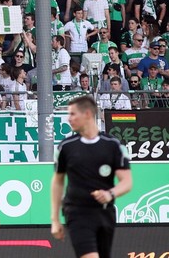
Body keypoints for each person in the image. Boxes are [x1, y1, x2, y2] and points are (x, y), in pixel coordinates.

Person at [51, 95, 132, 258]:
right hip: (77, 212)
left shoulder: (112, 144)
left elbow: (127, 181)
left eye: (73, 114)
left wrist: (110, 194)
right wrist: (55, 220)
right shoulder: (65, 147)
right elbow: (58, 182)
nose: (69, 119)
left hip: (105, 213)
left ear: (87, 114)